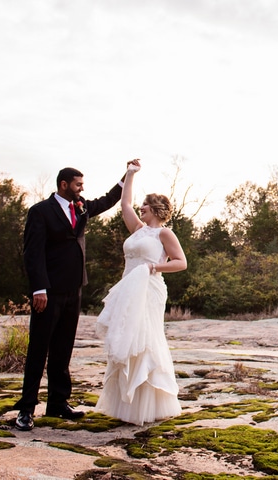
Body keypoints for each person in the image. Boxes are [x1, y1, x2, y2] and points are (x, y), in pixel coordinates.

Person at [14, 163, 133, 431]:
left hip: (74, 289)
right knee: (38, 350)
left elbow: (106, 201)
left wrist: (126, 178)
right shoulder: (40, 212)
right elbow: (32, 253)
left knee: (63, 349)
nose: (82, 189)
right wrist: (39, 288)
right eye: (78, 185)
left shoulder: (80, 207)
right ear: (64, 185)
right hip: (48, 292)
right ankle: (26, 409)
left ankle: (57, 404)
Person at [94, 160, 186, 425]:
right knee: (126, 338)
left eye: (145, 206)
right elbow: (124, 204)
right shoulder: (137, 229)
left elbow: (181, 262)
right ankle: (125, 404)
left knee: (145, 338)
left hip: (150, 289)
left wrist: (153, 266)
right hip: (128, 288)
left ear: (155, 209)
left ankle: (151, 404)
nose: (140, 208)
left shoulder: (164, 234)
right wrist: (130, 174)